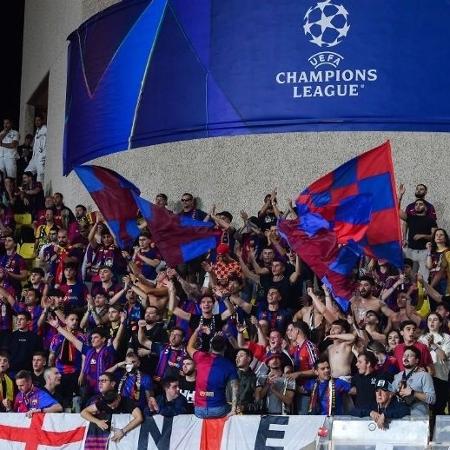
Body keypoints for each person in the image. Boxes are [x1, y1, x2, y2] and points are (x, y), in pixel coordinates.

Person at [187, 328, 239, 418]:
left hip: (199, 410)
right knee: (238, 408)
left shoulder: (200, 357)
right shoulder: (229, 365)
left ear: (211, 347)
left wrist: (196, 331)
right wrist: (233, 409)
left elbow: (189, 347)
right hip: (218, 410)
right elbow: (235, 388)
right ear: (225, 347)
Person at [418, 312, 450, 415]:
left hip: (441, 377)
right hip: (426, 378)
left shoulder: (446, 338)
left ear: (440, 323)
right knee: (425, 409)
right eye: (429, 320)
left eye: (435, 320)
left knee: (439, 409)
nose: (432, 322)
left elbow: (443, 356)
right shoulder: (420, 339)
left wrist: (432, 344)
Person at [399, 196, 437, 279]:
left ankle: (423, 292)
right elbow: (397, 211)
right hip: (411, 251)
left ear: (426, 208)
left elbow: (434, 236)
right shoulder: (410, 218)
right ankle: (412, 291)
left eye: (421, 204)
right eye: (416, 204)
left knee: (424, 277)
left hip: (425, 251)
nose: (418, 206)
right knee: (410, 276)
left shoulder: (431, 220)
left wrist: (423, 236)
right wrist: (400, 197)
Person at [391, 346, 436, 416]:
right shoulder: (398, 376)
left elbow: (432, 399)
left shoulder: (424, 376)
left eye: (410, 356)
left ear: (417, 360)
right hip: (400, 417)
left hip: (418, 418)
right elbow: (390, 394)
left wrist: (413, 393)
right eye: (404, 355)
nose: (406, 358)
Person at [25, 115, 47, 183]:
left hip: (41, 156)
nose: (36, 122)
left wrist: (43, 156)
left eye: (38, 120)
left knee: (40, 176)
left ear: (43, 121)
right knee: (27, 172)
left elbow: (46, 144)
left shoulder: (45, 129)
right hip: (34, 156)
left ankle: (40, 191)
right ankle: (27, 190)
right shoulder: (37, 130)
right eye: (35, 120)